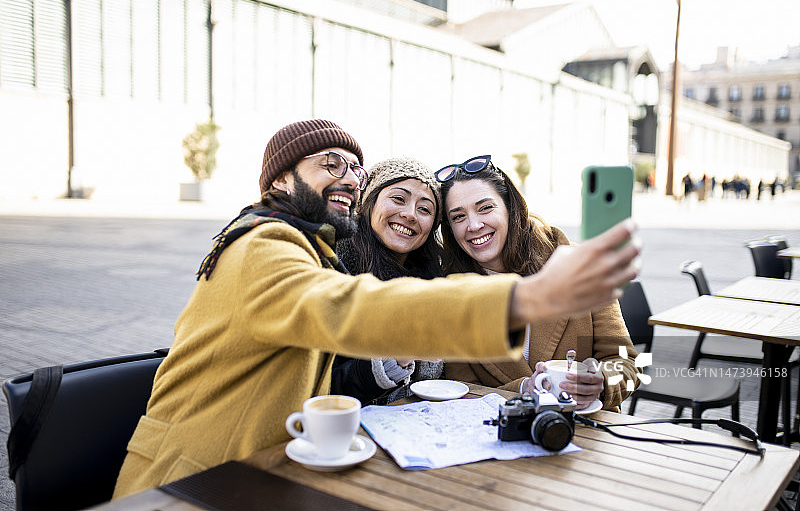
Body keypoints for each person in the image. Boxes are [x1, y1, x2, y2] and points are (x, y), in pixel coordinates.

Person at [113, 120, 640, 498]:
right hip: (184, 484)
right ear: (278, 179)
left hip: (263, 471)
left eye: (357, 170)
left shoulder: (312, 251)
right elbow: (349, 310)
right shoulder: (261, 245)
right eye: (331, 164)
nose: (348, 177)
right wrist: (525, 297)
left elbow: (627, 365)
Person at [438, 155, 639, 412]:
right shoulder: (451, 292)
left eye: (485, 208)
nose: (474, 225)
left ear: (511, 208)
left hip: (590, 432)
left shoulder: (581, 265)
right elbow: (461, 389)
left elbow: (626, 363)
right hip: (502, 435)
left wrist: (601, 382)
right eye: (458, 217)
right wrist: (523, 390)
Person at [331, 157, 444, 404]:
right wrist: (394, 358)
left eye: (424, 209)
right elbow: (322, 381)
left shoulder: (432, 281)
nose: (410, 214)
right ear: (369, 203)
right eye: (398, 199)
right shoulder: (334, 268)